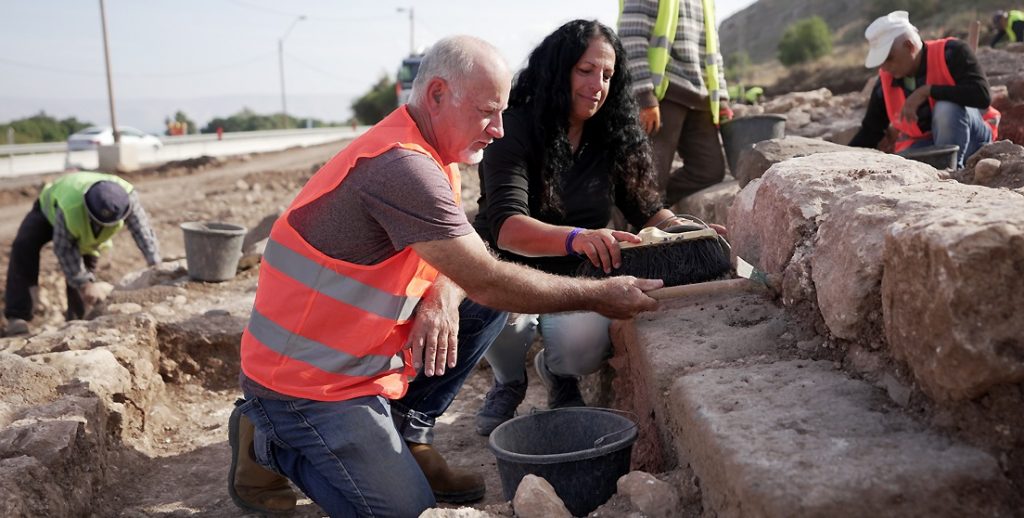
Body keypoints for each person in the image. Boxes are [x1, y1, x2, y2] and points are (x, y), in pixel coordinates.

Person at [230, 35, 662, 517]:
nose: (498, 129)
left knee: (479, 302)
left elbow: (472, 261)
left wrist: (440, 292)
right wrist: (602, 294)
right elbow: (489, 276)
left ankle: (404, 427)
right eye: (487, 112)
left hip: (357, 368)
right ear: (437, 94)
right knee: (407, 511)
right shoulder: (401, 167)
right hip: (304, 384)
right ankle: (270, 443)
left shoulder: (435, 155)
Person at [471, 19, 718, 436]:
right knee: (484, 311)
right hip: (506, 266)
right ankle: (509, 381)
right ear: (558, 69)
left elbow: (647, 211)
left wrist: (691, 233)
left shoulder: (611, 134)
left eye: (607, 74)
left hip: (579, 273)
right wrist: (578, 238)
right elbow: (508, 228)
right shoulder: (514, 126)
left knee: (580, 344)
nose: (597, 84)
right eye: (585, 71)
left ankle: (559, 373)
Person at [3, 171, 161, 336]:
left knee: (85, 277)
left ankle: (75, 324)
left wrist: (155, 263)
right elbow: (64, 248)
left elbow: (142, 231)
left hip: (86, 230)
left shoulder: (128, 198)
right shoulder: (70, 208)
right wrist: (84, 283)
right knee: (24, 245)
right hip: (49, 209)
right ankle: (17, 316)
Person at [849, 11, 999, 170]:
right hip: (927, 144)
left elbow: (982, 96)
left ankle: (953, 173)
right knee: (900, 165)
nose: (884, 67)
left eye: (889, 59)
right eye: (881, 62)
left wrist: (926, 91)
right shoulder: (886, 80)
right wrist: (845, 157)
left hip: (973, 139)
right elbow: (871, 131)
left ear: (909, 46)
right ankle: (941, 171)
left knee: (946, 108)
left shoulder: (952, 52)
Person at [618, 0, 732, 207]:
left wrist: (721, 97)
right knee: (652, 179)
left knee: (709, 171)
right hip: (663, 95)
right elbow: (630, 38)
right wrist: (644, 95)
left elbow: (713, 51)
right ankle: (636, 226)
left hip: (701, 97)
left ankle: (644, 208)